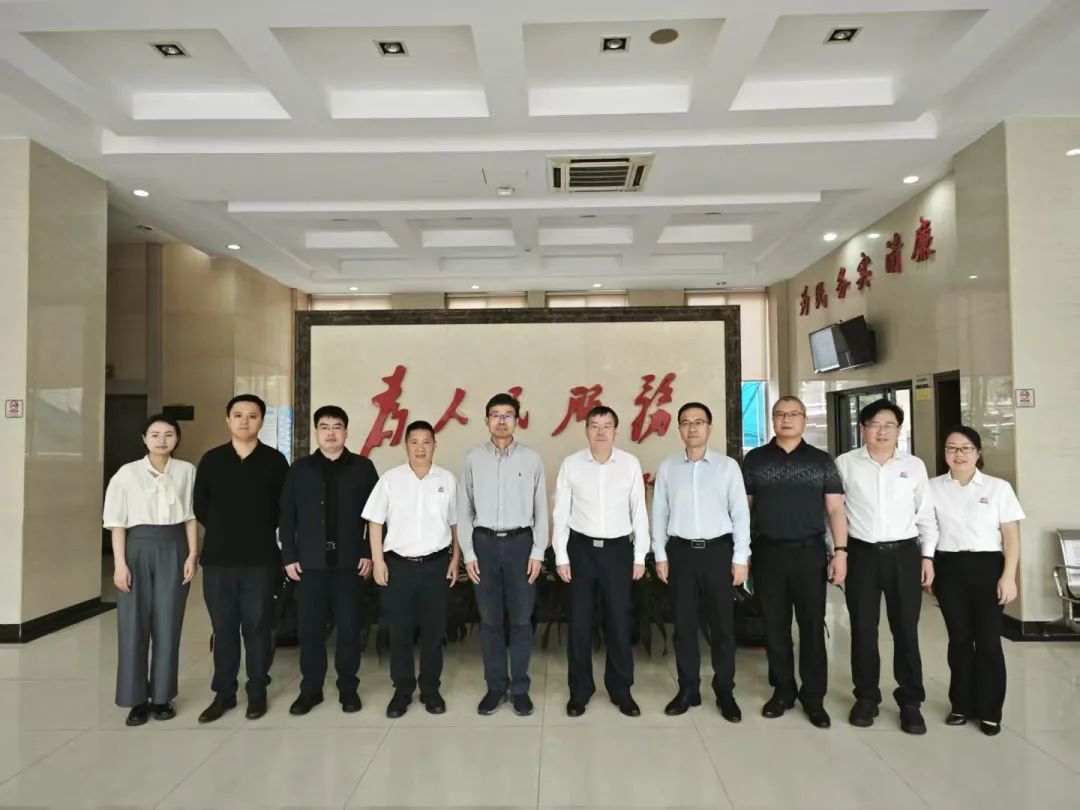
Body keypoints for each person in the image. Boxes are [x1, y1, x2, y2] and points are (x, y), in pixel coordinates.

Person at [742, 396, 847, 729]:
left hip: (809, 553)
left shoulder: (821, 461)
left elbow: (835, 509)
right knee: (774, 626)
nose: (786, 419)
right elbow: (743, 508)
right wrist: (741, 552)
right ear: (772, 420)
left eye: (793, 414)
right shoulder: (755, 459)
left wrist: (841, 552)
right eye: (780, 414)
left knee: (812, 625)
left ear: (804, 419)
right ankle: (783, 691)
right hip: (768, 552)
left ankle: (813, 698)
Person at [835, 399, 938, 735]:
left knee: (906, 629)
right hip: (861, 555)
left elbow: (925, 515)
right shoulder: (845, 464)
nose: (882, 431)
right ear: (862, 428)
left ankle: (911, 701)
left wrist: (927, 557)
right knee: (863, 629)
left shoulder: (914, 466)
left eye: (889, 425)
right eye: (875, 425)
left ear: (898, 430)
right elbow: (833, 513)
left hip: (904, 555)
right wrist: (838, 553)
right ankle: (866, 697)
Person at [194, 394, 289, 723]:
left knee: (258, 627)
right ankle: (224, 694)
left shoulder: (275, 461)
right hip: (218, 560)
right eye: (238, 415)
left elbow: (283, 509)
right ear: (228, 420)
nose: (244, 421)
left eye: (252, 416)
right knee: (223, 629)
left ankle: (257, 691)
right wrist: (226, 529)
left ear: (261, 421)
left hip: (261, 560)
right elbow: (200, 506)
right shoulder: (212, 460)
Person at [652, 402, 750, 722]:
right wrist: (660, 554)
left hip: (718, 553)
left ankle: (725, 691)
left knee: (722, 627)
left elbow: (740, 514)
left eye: (698, 422)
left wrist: (740, 557)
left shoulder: (727, 467)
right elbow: (660, 513)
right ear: (679, 429)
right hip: (681, 553)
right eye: (685, 422)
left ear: (709, 427)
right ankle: (688, 689)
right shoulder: (668, 467)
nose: (692, 427)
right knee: (684, 627)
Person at [279, 405, 379, 715]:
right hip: (310, 564)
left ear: (346, 432)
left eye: (337, 427)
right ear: (316, 432)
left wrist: (368, 551)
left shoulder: (363, 468)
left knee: (349, 629)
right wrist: (289, 555)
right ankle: (311, 690)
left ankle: (348, 688)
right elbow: (287, 515)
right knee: (310, 631)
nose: (331, 432)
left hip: (350, 563)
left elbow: (378, 516)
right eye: (324, 427)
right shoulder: (300, 469)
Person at [552, 405, 649, 718]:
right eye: (594, 425)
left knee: (619, 622)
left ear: (616, 431)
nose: (601, 431)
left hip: (618, 551)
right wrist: (561, 555)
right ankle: (579, 691)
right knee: (580, 624)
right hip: (581, 550)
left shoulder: (629, 464)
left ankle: (621, 690)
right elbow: (560, 513)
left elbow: (639, 511)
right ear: (586, 430)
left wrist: (640, 555)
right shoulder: (571, 464)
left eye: (607, 425)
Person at [103, 414, 197, 726]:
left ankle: (161, 697)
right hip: (137, 548)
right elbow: (116, 523)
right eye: (155, 434)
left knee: (169, 622)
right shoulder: (126, 474)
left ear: (177, 438)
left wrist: (192, 554)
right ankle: (136, 699)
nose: (161, 440)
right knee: (133, 624)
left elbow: (190, 516)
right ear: (144, 438)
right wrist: (119, 564)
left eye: (169, 434)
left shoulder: (186, 471)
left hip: (174, 545)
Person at [364, 420, 461, 718]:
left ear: (435, 445)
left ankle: (431, 689)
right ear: (405, 445)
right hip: (398, 567)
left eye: (426, 442)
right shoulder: (391, 480)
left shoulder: (447, 479)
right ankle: (402, 690)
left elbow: (456, 524)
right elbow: (375, 522)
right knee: (399, 632)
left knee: (434, 632)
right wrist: (378, 561)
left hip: (435, 566)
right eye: (414, 442)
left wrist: (455, 558)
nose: (420, 448)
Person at [458, 393, 548, 717]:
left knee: (521, 620)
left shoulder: (532, 459)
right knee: (490, 621)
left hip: (520, 544)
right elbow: (464, 509)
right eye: (495, 415)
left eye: (508, 415)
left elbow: (541, 509)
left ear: (517, 420)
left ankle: (520, 689)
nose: (501, 421)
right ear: (486, 420)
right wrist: (469, 553)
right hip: (483, 544)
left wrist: (538, 551)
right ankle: (496, 687)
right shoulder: (472, 458)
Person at [931, 426, 1023, 736]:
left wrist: (1009, 576)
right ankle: (960, 705)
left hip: (988, 567)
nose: (958, 454)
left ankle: (990, 711)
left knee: (988, 641)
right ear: (945, 452)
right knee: (958, 640)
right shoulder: (932, 487)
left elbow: (1011, 538)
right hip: (949, 568)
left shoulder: (998, 488)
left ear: (978, 452)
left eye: (966, 448)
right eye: (951, 448)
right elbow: (927, 530)